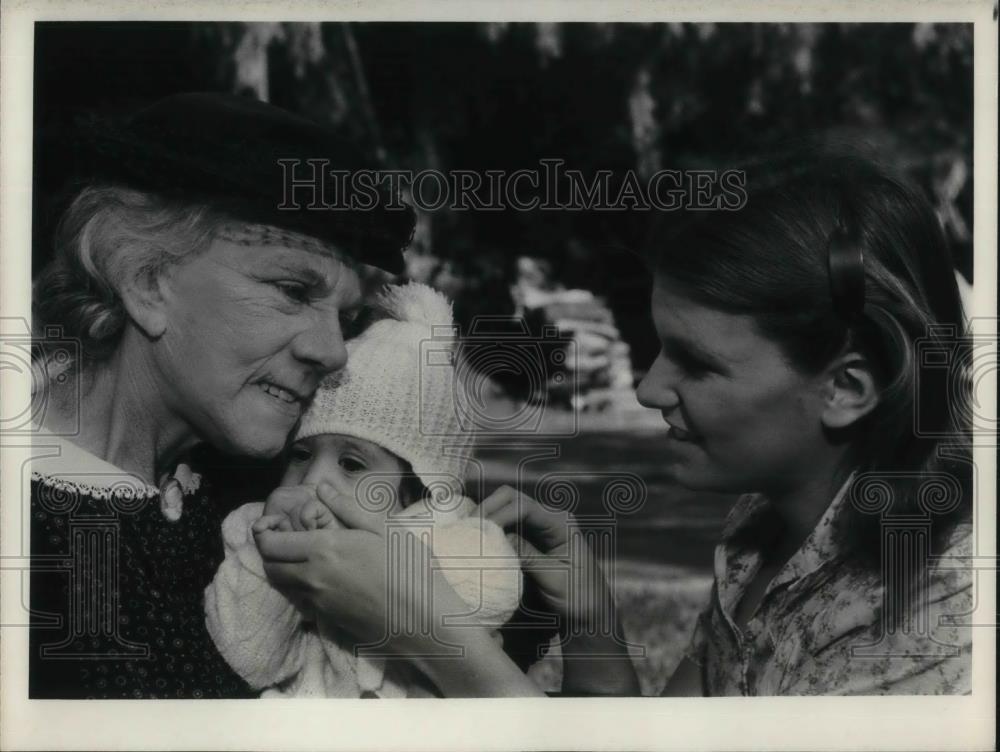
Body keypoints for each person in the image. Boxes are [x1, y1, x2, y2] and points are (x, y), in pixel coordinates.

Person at [254, 149, 974, 696]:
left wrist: (431, 635)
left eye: (696, 363)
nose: (652, 385)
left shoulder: (933, 610)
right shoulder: (762, 529)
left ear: (846, 388)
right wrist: (594, 623)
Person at [28, 92, 415, 699]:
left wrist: (592, 634)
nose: (334, 351)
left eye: (348, 317)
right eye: (292, 289)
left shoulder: (272, 487)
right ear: (147, 282)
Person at [203, 282, 522, 698]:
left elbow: (492, 592)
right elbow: (250, 658)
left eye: (352, 464)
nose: (314, 480)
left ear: (420, 491)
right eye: (300, 455)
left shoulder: (451, 537)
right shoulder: (257, 528)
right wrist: (270, 556)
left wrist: (387, 565)